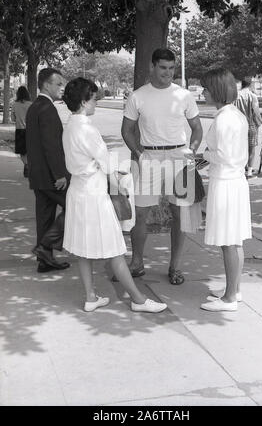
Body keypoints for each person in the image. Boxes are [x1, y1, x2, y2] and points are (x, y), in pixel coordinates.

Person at [62, 77, 167, 313]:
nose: (96, 102)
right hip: (94, 195)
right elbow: (107, 164)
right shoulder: (87, 129)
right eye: (93, 98)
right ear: (83, 101)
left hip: (78, 191)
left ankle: (91, 296)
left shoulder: (70, 126)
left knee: (83, 249)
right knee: (114, 249)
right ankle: (138, 300)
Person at [121, 48, 203, 285]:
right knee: (141, 214)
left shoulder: (184, 95)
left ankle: (175, 267)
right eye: (163, 68)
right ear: (152, 67)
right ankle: (137, 263)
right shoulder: (137, 96)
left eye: (171, 68)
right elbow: (126, 130)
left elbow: (197, 128)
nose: (168, 73)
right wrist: (138, 153)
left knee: (180, 215)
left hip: (179, 157)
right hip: (150, 158)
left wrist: (193, 149)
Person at [200, 68, 252, 312]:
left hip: (226, 182)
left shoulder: (223, 118)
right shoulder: (236, 115)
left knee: (229, 241)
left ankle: (230, 297)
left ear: (216, 90)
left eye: (206, 89)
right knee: (235, 240)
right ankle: (235, 289)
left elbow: (221, 155)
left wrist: (200, 155)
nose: (203, 92)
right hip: (235, 181)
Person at [26, 68, 70, 273]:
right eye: (58, 83)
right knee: (75, 207)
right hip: (52, 176)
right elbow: (50, 145)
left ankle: (45, 261)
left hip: (39, 175)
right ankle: (44, 248)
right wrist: (60, 174)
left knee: (44, 217)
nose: (62, 87)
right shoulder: (47, 108)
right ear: (46, 85)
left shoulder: (35, 106)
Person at [234, 77, 262, 178]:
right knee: (251, 149)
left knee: (240, 148)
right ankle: (249, 171)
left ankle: (241, 168)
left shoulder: (236, 95)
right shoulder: (252, 96)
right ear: (250, 84)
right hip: (250, 124)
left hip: (238, 125)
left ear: (242, 84)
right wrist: (259, 122)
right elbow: (257, 112)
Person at [11, 86, 32, 178]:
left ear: (18, 94)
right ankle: (29, 165)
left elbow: (12, 119)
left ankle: (26, 164)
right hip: (30, 130)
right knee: (30, 150)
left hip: (19, 129)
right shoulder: (31, 104)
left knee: (21, 151)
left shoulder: (15, 104)